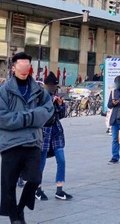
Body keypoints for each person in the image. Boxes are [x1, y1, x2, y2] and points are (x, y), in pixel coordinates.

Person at [0, 52, 53, 224]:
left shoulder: (39, 91)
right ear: (13, 68)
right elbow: (0, 118)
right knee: (9, 184)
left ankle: (20, 209)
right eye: (21, 67)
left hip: (33, 141)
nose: (24, 71)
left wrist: (24, 117)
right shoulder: (4, 91)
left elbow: (48, 112)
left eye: (27, 67)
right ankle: (15, 218)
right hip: (10, 143)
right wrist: (29, 118)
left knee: (34, 179)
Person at [35, 72, 72, 202]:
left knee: (61, 160)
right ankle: (37, 189)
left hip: (56, 131)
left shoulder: (54, 96)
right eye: (52, 86)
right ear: (47, 85)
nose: (54, 89)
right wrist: (50, 103)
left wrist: (60, 104)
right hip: (44, 132)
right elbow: (40, 115)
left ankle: (59, 190)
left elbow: (61, 115)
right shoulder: (39, 97)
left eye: (55, 87)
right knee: (42, 162)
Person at [107, 75, 120, 164]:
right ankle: (115, 156)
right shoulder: (113, 92)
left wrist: (119, 102)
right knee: (115, 139)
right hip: (114, 119)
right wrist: (112, 103)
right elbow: (109, 105)